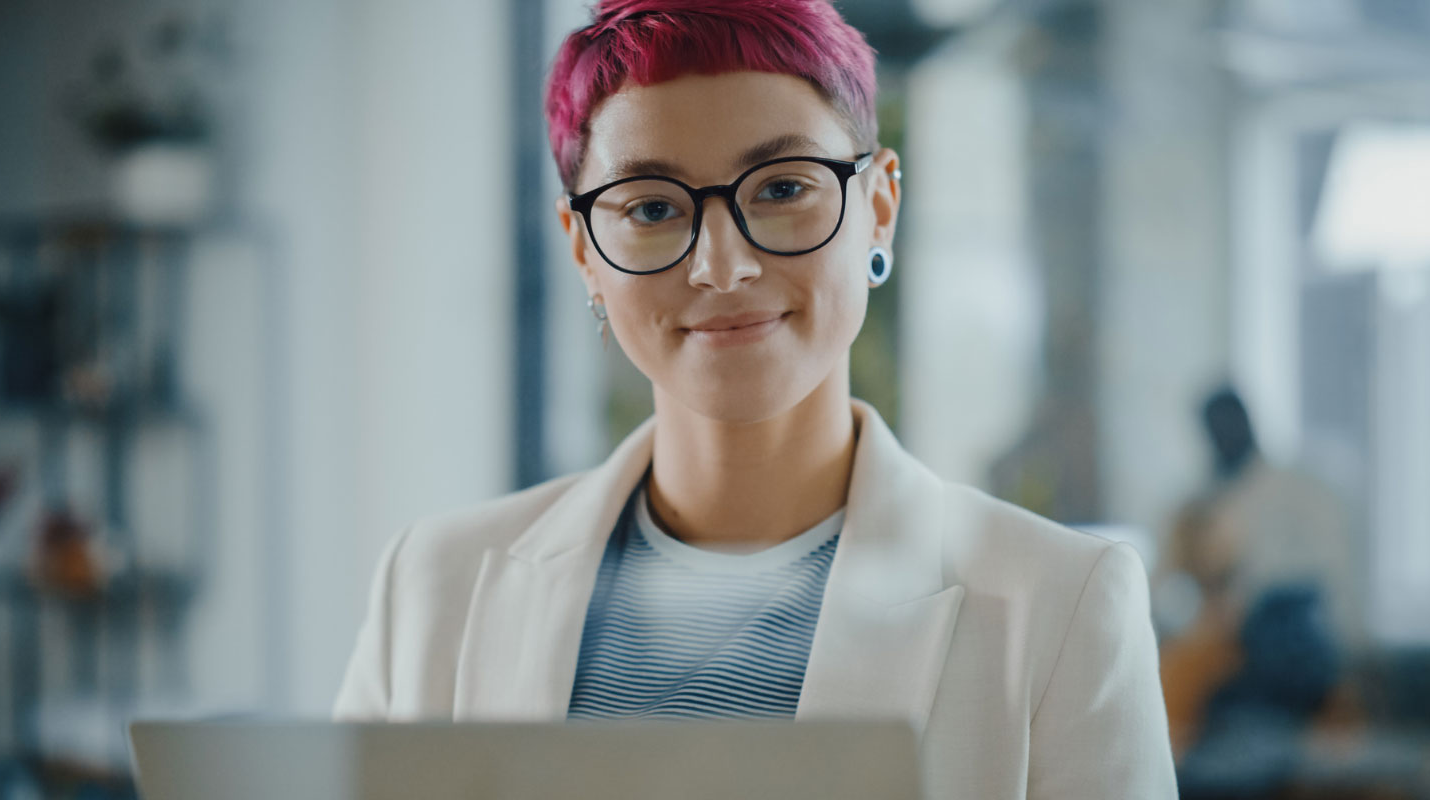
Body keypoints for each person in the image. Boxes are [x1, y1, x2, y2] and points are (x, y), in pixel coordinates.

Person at [333, 2, 1177, 797]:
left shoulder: (1062, 606)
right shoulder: (432, 589)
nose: (721, 266)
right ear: (585, 250)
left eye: (780, 189)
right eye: (654, 207)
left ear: (878, 208)